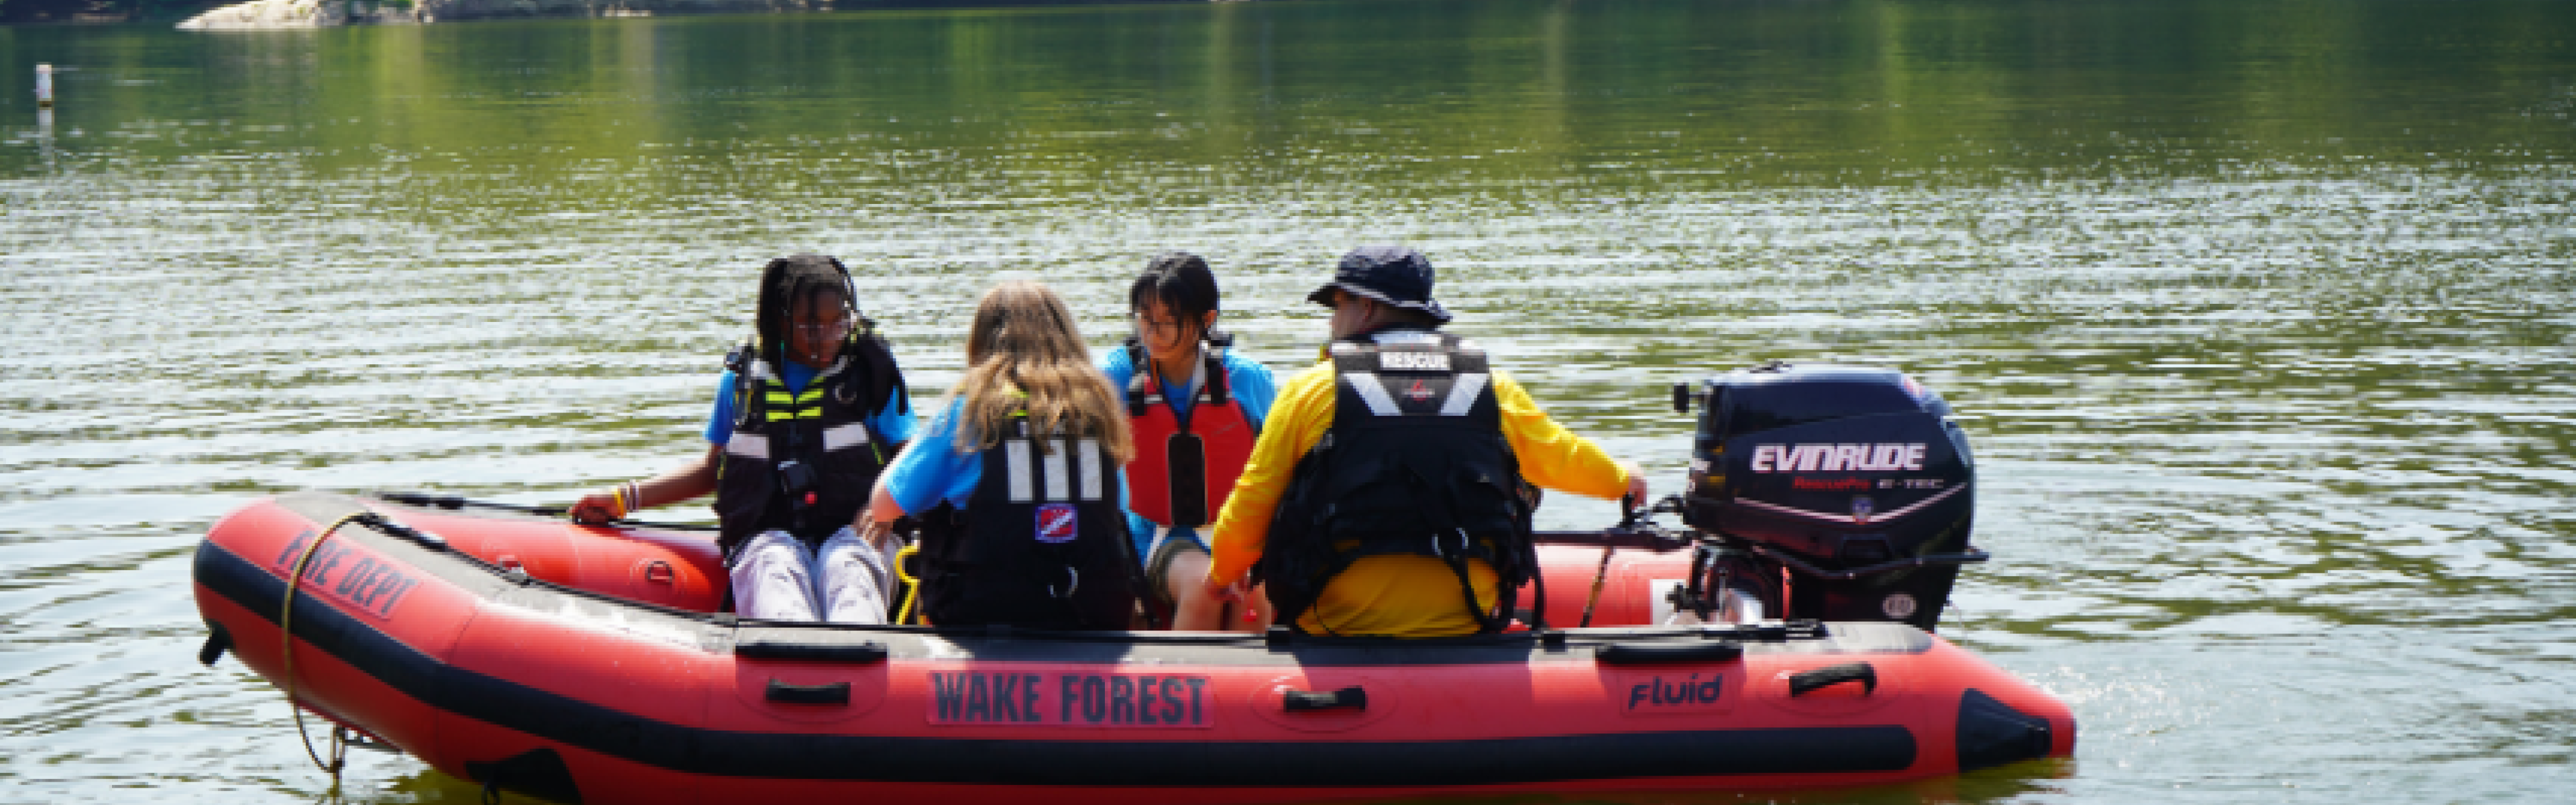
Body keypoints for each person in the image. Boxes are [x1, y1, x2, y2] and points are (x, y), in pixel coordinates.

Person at [1201, 245, 1646, 637]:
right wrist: (1624, 479)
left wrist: (1222, 574)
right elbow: (1562, 456)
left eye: (1337, 306)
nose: (1333, 322)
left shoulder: (1311, 391)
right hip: (1466, 619)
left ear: (1367, 310)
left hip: (1335, 625)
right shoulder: (1491, 386)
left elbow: (1252, 503)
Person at [570, 254, 915, 624]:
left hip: (857, 533)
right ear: (782, 322)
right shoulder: (741, 382)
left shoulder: (871, 375)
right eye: (813, 327)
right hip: (768, 536)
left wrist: (886, 508)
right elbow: (711, 472)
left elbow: (912, 455)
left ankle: (857, 655)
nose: (831, 338)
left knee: (847, 566)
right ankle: (792, 654)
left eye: (839, 323)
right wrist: (624, 499)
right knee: (774, 564)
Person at [861, 280, 1142, 629]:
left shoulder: (967, 415)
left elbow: (883, 505)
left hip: (983, 614)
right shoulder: (1099, 415)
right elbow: (1121, 510)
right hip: (1091, 612)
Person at [1099, 253, 1279, 631]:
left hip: (1235, 537)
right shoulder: (1115, 376)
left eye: (1168, 322)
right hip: (1157, 538)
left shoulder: (1248, 380)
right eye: (1145, 319)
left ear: (1206, 320)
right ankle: (1183, 687)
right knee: (1204, 584)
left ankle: (1242, 689)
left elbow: (1283, 470)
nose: (1153, 333)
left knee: (1258, 592)